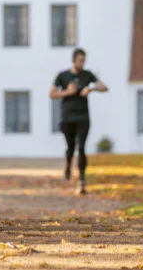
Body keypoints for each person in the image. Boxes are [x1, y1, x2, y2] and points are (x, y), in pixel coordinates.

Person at [49, 48, 108, 195]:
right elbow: (52, 94)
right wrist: (67, 92)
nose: (83, 63)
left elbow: (104, 87)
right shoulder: (62, 76)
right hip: (67, 117)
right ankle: (68, 164)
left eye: (84, 60)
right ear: (74, 60)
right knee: (71, 147)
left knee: (81, 148)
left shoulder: (87, 75)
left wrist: (91, 88)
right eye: (80, 60)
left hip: (83, 117)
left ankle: (82, 181)